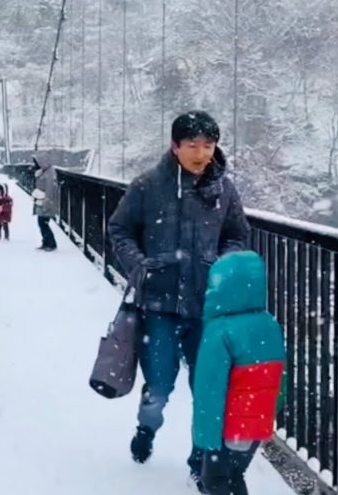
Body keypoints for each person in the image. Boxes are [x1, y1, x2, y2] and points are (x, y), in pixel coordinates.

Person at [107, 110, 250, 484]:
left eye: (209, 145)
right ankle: (146, 428)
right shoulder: (147, 185)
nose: (202, 153)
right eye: (193, 146)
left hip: (207, 307)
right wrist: (139, 265)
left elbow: (237, 234)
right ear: (175, 146)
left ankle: (200, 460)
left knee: (209, 388)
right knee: (159, 385)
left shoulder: (224, 191)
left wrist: (223, 263)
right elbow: (120, 229)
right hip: (159, 306)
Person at [192, 251, 285, 495]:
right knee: (235, 475)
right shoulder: (270, 324)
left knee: (215, 480)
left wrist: (206, 438)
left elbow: (209, 391)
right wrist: (270, 412)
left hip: (227, 425)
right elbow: (279, 377)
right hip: (255, 423)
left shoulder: (218, 331)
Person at [31, 154, 58, 251]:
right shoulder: (45, 171)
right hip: (42, 201)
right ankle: (46, 242)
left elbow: (50, 189)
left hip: (46, 202)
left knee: (43, 222)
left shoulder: (49, 172)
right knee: (42, 222)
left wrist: (47, 202)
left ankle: (51, 243)